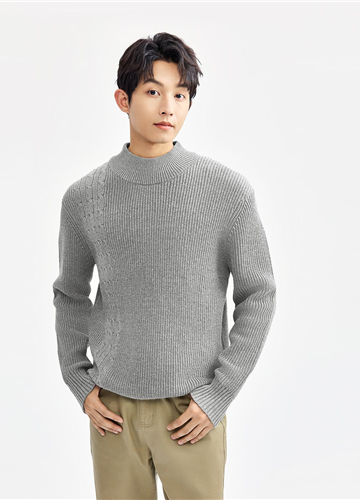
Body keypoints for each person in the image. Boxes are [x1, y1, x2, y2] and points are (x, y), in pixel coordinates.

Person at [52, 32, 277, 500]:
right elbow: (70, 293)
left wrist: (219, 393)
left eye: (180, 95)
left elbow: (259, 293)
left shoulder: (226, 191)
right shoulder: (84, 198)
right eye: (153, 91)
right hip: (112, 410)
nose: (168, 107)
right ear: (123, 99)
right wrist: (78, 379)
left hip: (192, 409)